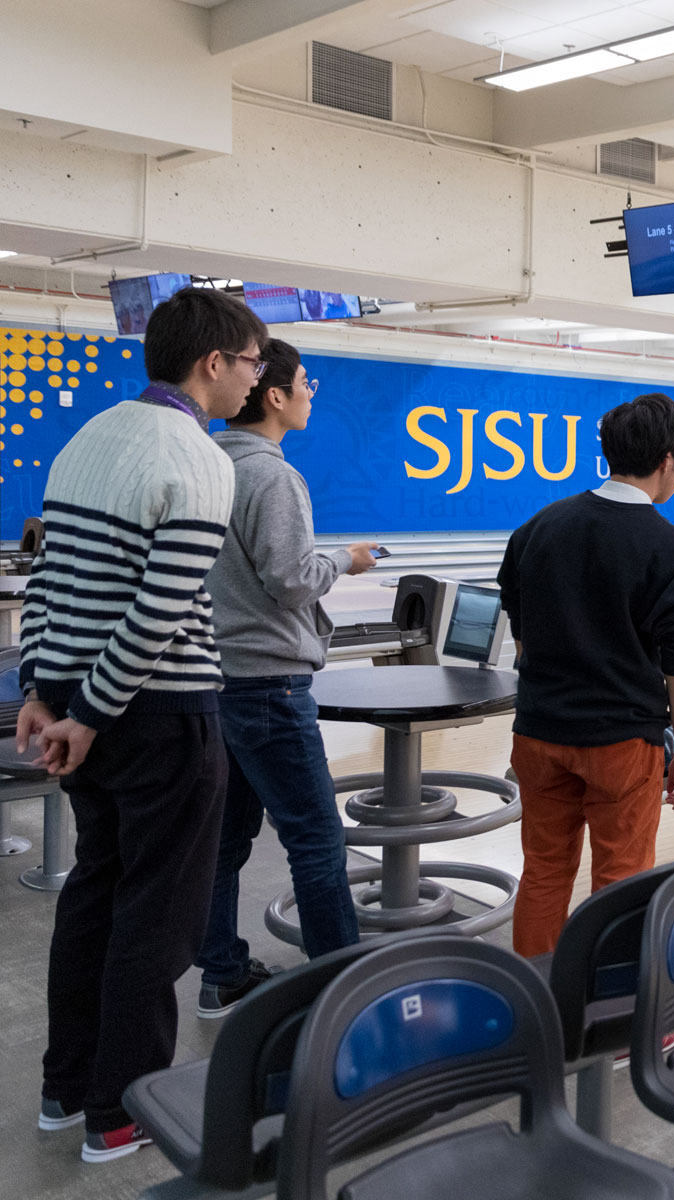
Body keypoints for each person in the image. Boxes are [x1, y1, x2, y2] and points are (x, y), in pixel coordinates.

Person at [17, 286, 266, 1162]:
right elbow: (160, 610)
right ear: (213, 364)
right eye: (252, 363)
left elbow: (43, 573)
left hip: (89, 712)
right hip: (160, 719)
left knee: (95, 895)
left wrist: (41, 692)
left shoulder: (88, 438)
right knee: (157, 920)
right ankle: (121, 1112)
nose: (256, 380)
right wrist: (82, 712)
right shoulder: (199, 460)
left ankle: (65, 1089)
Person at [195, 339, 380, 1018]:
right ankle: (341, 993)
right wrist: (347, 561)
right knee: (316, 840)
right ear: (272, 395)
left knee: (225, 839)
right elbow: (292, 578)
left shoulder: (206, 465)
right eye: (306, 381)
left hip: (215, 679)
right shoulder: (272, 477)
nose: (312, 392)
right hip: (269, 686)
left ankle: (220, 974)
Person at [497, 392, 674, 959]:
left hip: (539, 733)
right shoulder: (670, 547)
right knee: (621, 882)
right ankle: (613, 1023)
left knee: (543, 872)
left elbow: (521, 632)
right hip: (620, 742)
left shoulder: (538, 528)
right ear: (666, 460)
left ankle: (534, 1004)